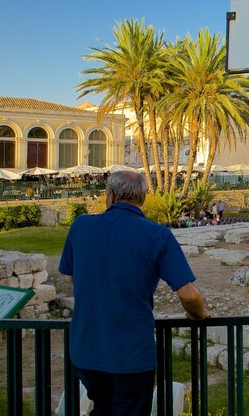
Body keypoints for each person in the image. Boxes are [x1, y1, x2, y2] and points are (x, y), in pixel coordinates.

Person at [58, 171, 210, 415]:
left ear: (110, 195)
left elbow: (76, 279)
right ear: (143, 197)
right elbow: (189, 295)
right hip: (132, 355)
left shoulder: (80, 226)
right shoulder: (157, 235)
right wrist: (199, 314)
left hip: (86, 351)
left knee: (103, 407)